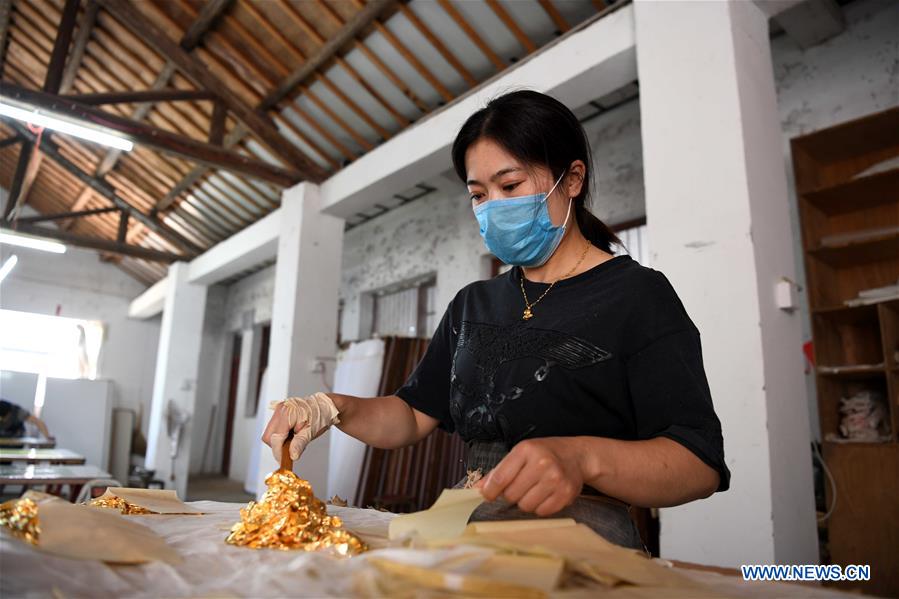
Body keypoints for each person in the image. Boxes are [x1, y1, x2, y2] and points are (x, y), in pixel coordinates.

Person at [263, 89, 730, 550]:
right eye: (478, 195)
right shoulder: (473, 305)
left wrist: (582, 458)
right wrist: (331, 405)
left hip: (582, 540)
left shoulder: (636, 295)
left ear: (571, 179)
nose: (492, 208)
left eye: (510, 187)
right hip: (465, 526)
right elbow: (409, 415)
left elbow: (698, 464)